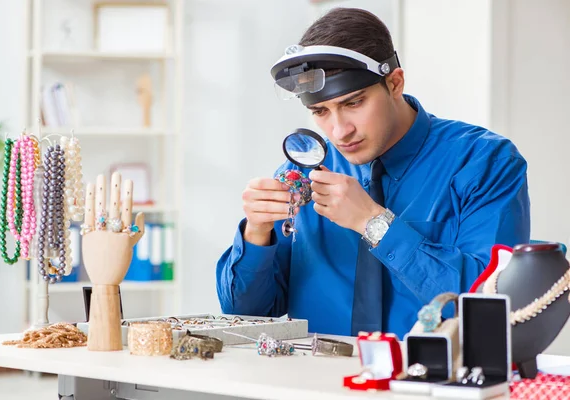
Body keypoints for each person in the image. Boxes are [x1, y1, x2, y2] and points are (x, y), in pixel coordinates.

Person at [215, 7, 530, 339]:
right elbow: (248, 316)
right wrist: (256, 233)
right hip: (315, 383)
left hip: (434, 384)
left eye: (354, 103)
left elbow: (491, 309)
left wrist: (373, 223)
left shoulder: (484, 162)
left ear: (395, 83)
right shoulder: (303, 173)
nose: (339, 131)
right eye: (320, 111)